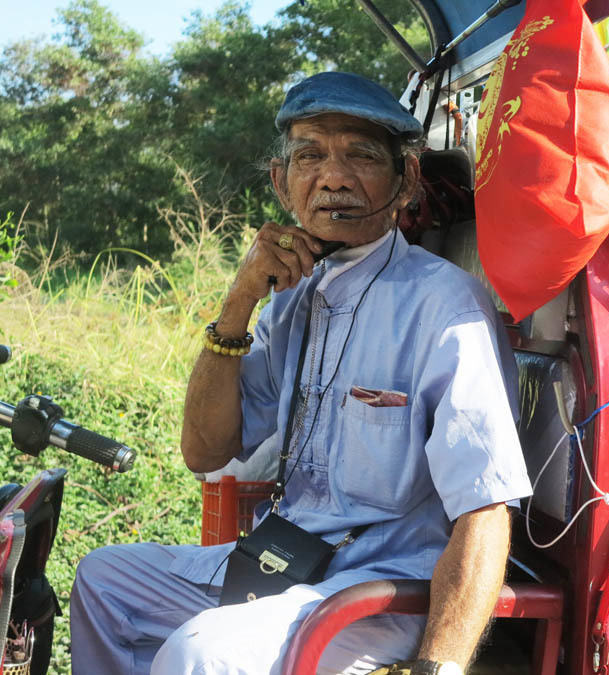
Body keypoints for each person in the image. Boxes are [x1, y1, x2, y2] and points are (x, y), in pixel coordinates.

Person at [69, 71, 532, 675]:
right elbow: (204, 452)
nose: (333, 177)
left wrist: (438, 666)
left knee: (201, 653)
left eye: (360, 156)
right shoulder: (291, 295)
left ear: (406, 180)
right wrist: (240, 301)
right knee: (107, 581)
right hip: (284, 561)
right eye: (309, 155)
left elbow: (485, 509)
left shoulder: (444, 304)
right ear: (281, 182)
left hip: (377, 591)